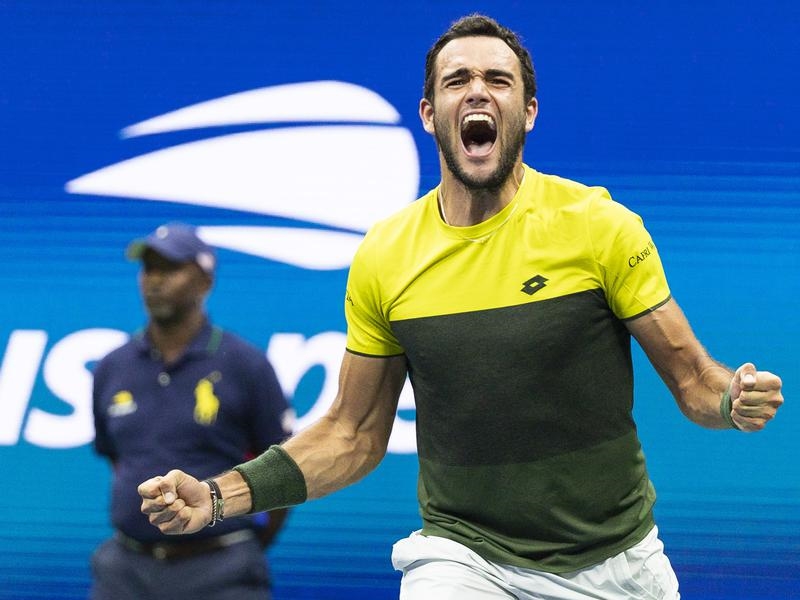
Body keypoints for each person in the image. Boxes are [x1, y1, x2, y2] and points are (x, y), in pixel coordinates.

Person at [137, 15, 784, 600]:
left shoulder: (600, 227)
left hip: (615, 562)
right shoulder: (387, 255)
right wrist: (218, 496)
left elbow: (694, 380)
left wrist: (732, 397)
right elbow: (352, 434)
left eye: (498, 80)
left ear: (528, 112)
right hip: (465, 558)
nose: (478, 92)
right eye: (458, 81)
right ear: (429, 112)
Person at [91, 222, 294, 600]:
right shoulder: (113, 367)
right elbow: (118, 459)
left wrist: (244, 544)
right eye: (149, 268)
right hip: (126, 571)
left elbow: (283, 468)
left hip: (222, 570)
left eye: (170, 269)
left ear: (204, 281)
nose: (155, 280)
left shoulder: (245, 365)